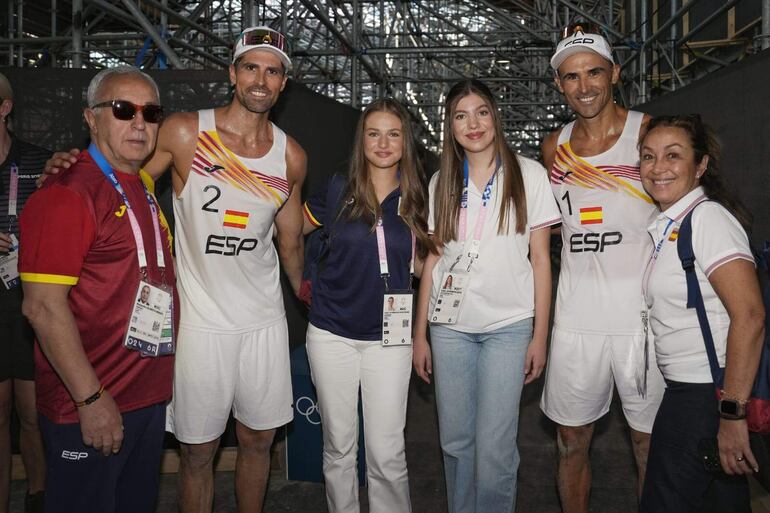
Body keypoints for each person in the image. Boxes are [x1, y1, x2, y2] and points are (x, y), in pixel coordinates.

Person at [44, 27, 306, 513]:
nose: (260, 80)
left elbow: (289, 242)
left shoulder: (291, 156)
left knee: (257, 441)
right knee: (197, 451)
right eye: (251, 67)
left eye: (273, 71)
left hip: (265, 322)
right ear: (232, 73)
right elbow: (121, 177)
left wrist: (307, 294)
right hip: (201, 324)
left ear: (283, 83)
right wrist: (77, 166)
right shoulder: (186, 131)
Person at [19, 66, 176, 513]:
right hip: (92, 401)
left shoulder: (142, 184)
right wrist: (90, 398)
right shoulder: (68, 193)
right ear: (91, 118)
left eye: (151, 112)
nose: (139, 122)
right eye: (123, 109)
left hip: (144, 395)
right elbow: (42, 309)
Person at [413, 79, 561, 513]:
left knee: (496, 449)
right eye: (461, 115)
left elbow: (541, 260)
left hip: (508, 329)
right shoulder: (442, 180)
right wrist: (420, 334)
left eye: (480, 112)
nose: (472, 123)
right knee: (456, 443)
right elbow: (434, 262)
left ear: (495, 116)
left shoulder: (529, 174)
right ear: (450, 126)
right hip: (450, 330)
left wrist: (539, 336)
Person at [538, 24, 665, 512]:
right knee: (571, 442)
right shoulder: (555, 148)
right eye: (572, 77)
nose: (584, 86)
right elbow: (547, 228)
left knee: (647, 445)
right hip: (576, 322)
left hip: (642, 323)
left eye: (594, 73)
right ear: (559, 84)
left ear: (614, 72)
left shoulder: (648, 134)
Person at [302, 98, 432, 513]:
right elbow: (292, 230)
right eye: (373, 133)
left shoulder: (418, 196)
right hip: (331, 333)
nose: (383, 142)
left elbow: (427, 264)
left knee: (387, 451)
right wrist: (298, 278)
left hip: (389, 339)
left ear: (404, 142)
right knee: (339, 446)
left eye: (393, 134)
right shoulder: (338, 187)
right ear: (362, 140)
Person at [638, 115, 764, 512]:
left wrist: (731, 414)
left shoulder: (707, 219)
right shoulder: (672, 224)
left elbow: (749, 315)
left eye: (673, 156)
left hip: (704, 398)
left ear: (701, 165)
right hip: (694, 393)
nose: (658, 168)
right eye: (648, 156)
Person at [0, 73, 47, 513]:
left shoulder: (39, 161)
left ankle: (38, 496)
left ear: (4, 108)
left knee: (33, 417)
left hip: (29, 305)